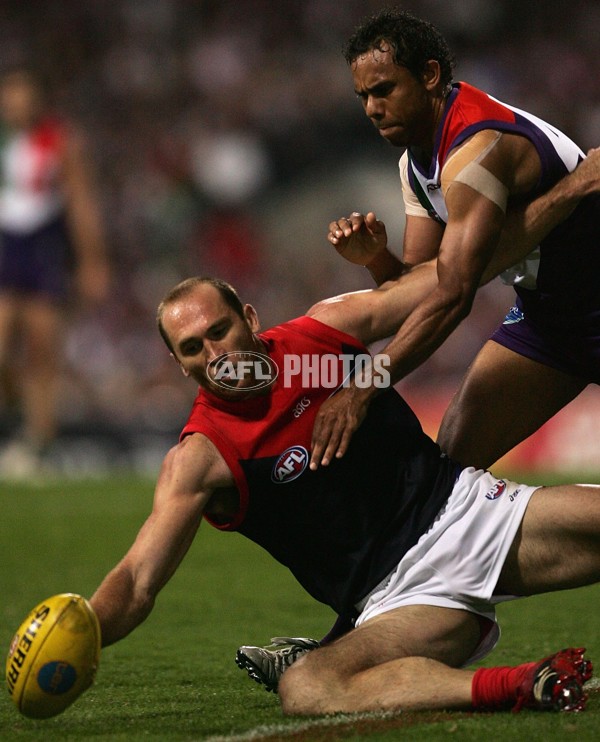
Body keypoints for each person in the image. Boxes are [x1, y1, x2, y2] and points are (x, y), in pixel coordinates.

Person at [87, 273, 600, 716]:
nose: (215, 355)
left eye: (220, 331)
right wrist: (82, 632)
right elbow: (136, 582)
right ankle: (521, 683)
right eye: (193, 347)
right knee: (306, 687)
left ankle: (330, 643)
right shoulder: (200, 460)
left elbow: (449, 280)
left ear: (249, 317)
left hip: (472, 512)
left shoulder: (324, 332)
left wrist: (380, 281)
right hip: (400, 601)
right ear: (179, 364)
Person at [306, 8, 600, 476]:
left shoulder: (477, 146)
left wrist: (363, 388)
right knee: (450, 470)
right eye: (363, 95)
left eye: (383, 90)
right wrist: (377, 260)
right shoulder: (416, 166)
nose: (371, 109)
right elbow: (421, 284)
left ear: (429, 75)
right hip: (549, 318)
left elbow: (453, 296)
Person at [0, 68, 109, 478]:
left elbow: (81, 201)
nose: (15, 104)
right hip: (6, 243)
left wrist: (92, 259)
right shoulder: (3, 140)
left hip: (43, 244)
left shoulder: (60, 141)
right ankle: (15, 418)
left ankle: (39, 441)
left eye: (22, 95)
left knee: (43, 347)